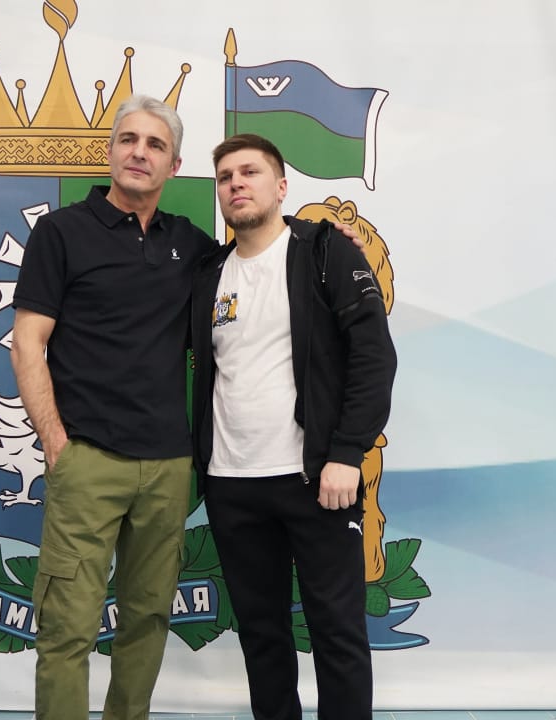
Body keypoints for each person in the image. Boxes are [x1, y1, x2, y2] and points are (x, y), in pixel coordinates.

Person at [10, 94, 215, 720]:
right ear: (110, 152)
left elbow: (263, 259)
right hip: (88, 460)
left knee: (148, 619)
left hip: (169, 466)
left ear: (173, 165)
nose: (139, 152)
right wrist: (56, 446)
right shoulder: (60, 233)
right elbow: (28, 342)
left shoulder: (191, 244)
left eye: (155, 145)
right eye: (129, 139)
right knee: (67, 627)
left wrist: (324, 240)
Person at [190, 133, 396, 720]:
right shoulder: (207, 273)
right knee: (262, 635)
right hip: (231, 483)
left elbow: (373, 356)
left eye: (250, 172)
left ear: (280, 187)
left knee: (337, 631)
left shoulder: (325, 251)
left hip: (317, 480)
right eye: (226, 176)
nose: (236, 183)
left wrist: (347, 454)